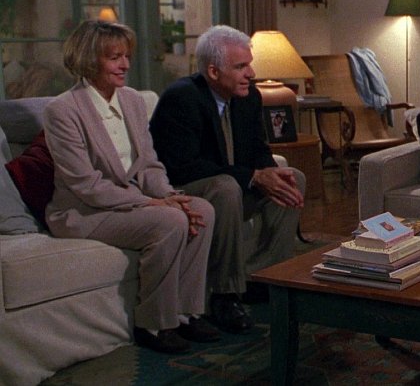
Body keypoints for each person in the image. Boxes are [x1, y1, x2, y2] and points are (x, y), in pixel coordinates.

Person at [44, 20, 218, 354]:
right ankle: (153, 324)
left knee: (202, 210)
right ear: (89, 60)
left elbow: (149, 164)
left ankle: (186, 312)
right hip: (84, 211)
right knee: (170, 220)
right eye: (114, 58)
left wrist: (170, 195)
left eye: (126, 56)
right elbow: (87, 185)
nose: (125, 65)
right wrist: (153, 204)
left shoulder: (133, 101)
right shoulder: (62, 111)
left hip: (130, 202)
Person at [150, 25, 305, 334]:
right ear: (213, 71)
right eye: (241, 66)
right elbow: (183, 167)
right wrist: (253, 176)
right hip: (185, 191)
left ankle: (262, 277)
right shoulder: (181, 98)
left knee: (293, 178)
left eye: (249, 64)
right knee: (226, 187)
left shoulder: (249, 97)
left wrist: (270, 173)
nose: (251, 73)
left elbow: (258, 150)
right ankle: (224, 295)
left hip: (232, 188)